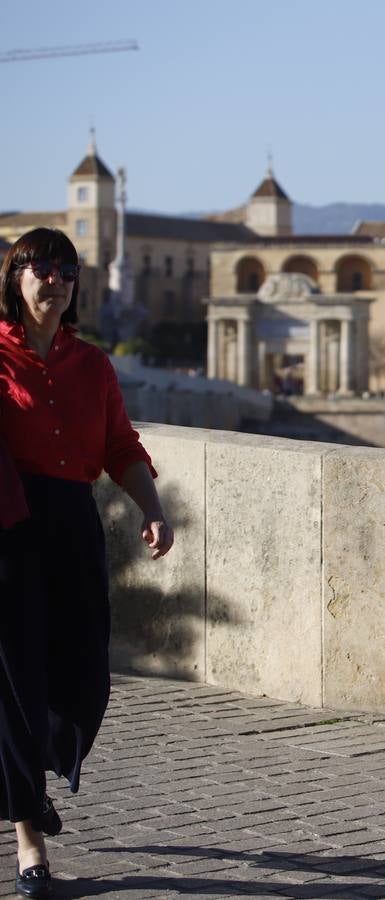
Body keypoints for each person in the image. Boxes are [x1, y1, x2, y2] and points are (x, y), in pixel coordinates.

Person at [0, 228, 175, 897]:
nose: (55, 279)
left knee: (83, 679)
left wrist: (153, 507)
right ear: (15, 279)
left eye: (66, 270)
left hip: (73, 520)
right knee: (15, 683)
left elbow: (120, 445)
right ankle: (28, 839)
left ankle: (32, 776)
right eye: (40, 268)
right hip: (9, 526)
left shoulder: (92, 365)